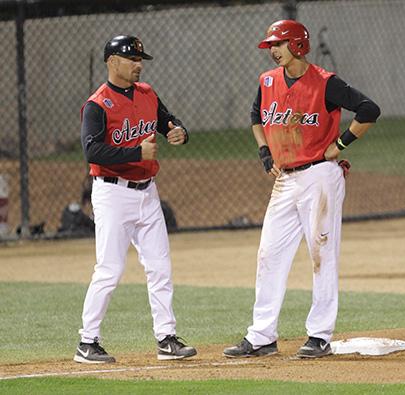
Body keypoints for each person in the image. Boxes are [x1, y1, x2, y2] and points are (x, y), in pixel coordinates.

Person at [223, 20, 380, 359]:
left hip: (320, 177)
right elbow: (255, 116)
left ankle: (319, 335)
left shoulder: (325, 83)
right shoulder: (267, 82)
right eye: (271, 46)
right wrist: (264, 152)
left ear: (297, 45)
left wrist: (341, 142)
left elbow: (369, 110)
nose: (273, 51)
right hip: (286, 181)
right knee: (269, 254)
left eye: (278, 44)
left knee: (321, 253)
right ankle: (262, 336)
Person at [74, 35, 196, 363]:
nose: (138, 65)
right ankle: (87, 341)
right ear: (112, 61)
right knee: (110, 269)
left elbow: (169, 121)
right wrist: (134, 151)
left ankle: (166, 338)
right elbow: (92, 150)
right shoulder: (98, 104)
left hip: (147, 192)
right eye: (132, 59)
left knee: (159, 266)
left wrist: (179, 132)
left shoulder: (147, 94)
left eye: (140, 59)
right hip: (112, 193)